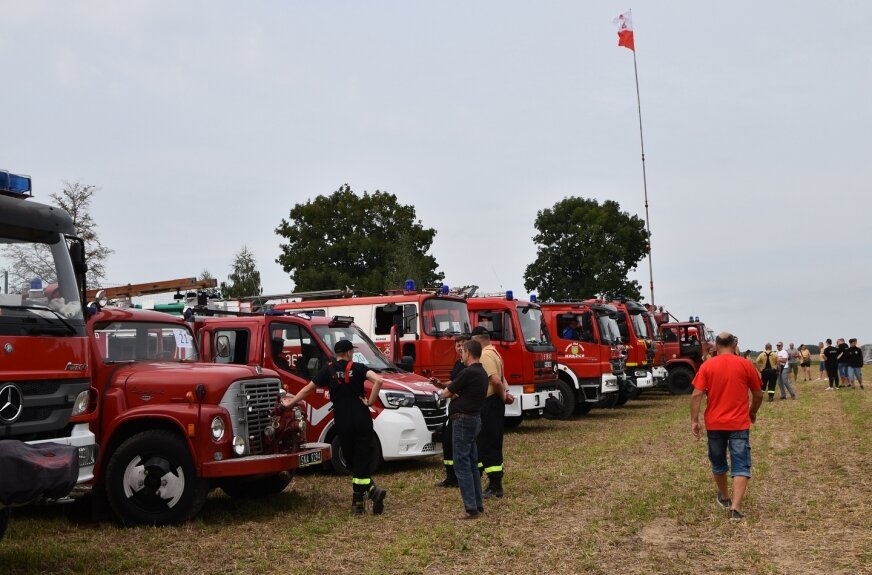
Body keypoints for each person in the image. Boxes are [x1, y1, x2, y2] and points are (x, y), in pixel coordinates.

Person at [283, 339, 386, 515]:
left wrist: (290, 403)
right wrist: (369, 402)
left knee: (351, 459)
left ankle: (360, 502)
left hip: (343, 419)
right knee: (361, 458)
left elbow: (307, 389)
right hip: (361, 417)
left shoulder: (327, 370)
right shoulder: (359, 367)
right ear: (348, 353)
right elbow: (378, 380)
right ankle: (368, 493)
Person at [690, 332, 764, 522]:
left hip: (714, 423)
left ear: (716, 345)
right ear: (734, 344)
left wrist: (694, 421)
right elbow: (758, 394)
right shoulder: (746, 364)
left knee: (718, 460)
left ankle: (724, 496)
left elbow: (696, 395)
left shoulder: (707, 366)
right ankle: (735, 508)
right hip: (739, 422)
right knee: (740, 463)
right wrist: (752, 412)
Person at [438, 339, 489, 519]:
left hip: (462, 421)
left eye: (463, 351)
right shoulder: (482, 373)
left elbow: (446, 392)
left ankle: (470, 508)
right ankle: (478, 503)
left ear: (468, 352)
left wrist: (445, 392)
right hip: (474, 420)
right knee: (472, 464)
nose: (461, 353)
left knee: (461, 465)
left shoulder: (468, 372)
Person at [472, 325, 514, 499]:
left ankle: (495, 485)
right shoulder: (495, 352)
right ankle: (493, 482)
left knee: (488, 442)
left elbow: (495, 380)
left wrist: (503, 396)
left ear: (476, 340)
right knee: (492, 441)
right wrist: (506, 394)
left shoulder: (485, 355)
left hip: (489, 403)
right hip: (494, 403)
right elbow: (502, 378)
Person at [430, 334, 471, 488]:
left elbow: (461, 387)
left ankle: (463, 477)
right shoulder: (458, 364)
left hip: (463, 412)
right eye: (457, 344)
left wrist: (447, 391)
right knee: (447, 443)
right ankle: (450, 477)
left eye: (463, 344)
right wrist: (441, 384)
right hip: (452, 411)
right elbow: (453, 383)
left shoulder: (470, 366)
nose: (459, 347)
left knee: (463, 446)